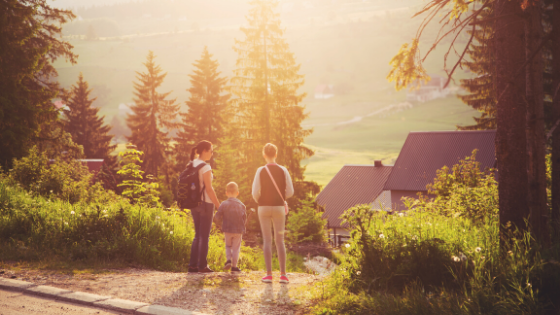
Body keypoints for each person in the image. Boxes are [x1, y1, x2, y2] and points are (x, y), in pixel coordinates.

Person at [252, 143, 294, 284]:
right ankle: (283, 275)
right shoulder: (283, 170)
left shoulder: (260, 170)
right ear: (276, 154)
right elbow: (290, 192)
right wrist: (281, 197)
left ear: (264, 155)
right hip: (279, 208)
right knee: (280, 241)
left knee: (267, 240)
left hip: (263, 207)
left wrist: (261, 200)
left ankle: (269, 275)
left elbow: (254, 192)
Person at [188, 140, 221, 273]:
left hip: (194, 203)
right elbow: (209, 189)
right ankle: (202, 266)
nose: (212, 154)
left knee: (197, 235)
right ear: (204, 151)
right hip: (206, 204)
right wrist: (219, 205)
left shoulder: (191, 165)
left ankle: (193, 265)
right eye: (211, 151)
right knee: (204, 236)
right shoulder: (205, 167)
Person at [214, 182, 247, 273]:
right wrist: (243, 228)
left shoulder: (224, 204)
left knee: (228, 246)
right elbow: (244, 218)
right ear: (237, 193)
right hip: (238, 230)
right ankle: (234, 266)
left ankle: (228, 260)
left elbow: (217, 216)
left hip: (227, 229)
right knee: (236, 248)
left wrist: (217, 222)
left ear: (226, 193)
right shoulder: (242, 205)